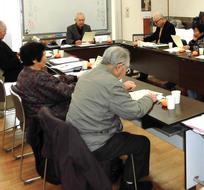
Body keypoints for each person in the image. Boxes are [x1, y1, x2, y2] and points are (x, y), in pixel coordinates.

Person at [66, 46, 157, 190]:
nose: (125, 72)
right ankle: (129, 185)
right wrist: (149, 98)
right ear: (120, 66)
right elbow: (134, 112)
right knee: (142, 143)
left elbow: (102, 93)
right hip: (95, 143)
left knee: (122, 135)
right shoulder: (111, 84)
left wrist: (121, 88)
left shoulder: (88, 74)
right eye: (126, 69)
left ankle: (116, 169)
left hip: (76, 137)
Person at [15, 41, 77, 129]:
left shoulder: (25, 72)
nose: (46, 57)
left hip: (35, 112)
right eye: (44, 55)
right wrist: (81, 83)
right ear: (34, 59)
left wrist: (74, 78)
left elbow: (54, 79)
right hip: (45, 117)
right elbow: (66, 92)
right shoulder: (39, 78)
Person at [183, 23, 204, 100]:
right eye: (194, 31)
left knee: (192, 76)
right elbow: (191, 45)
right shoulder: (198, 38)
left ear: (202, 32)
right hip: (198, 63)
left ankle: (192, 98)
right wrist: (192, 42)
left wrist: (192, 44)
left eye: (197, 31)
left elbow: (199, 49)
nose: (195, 33)